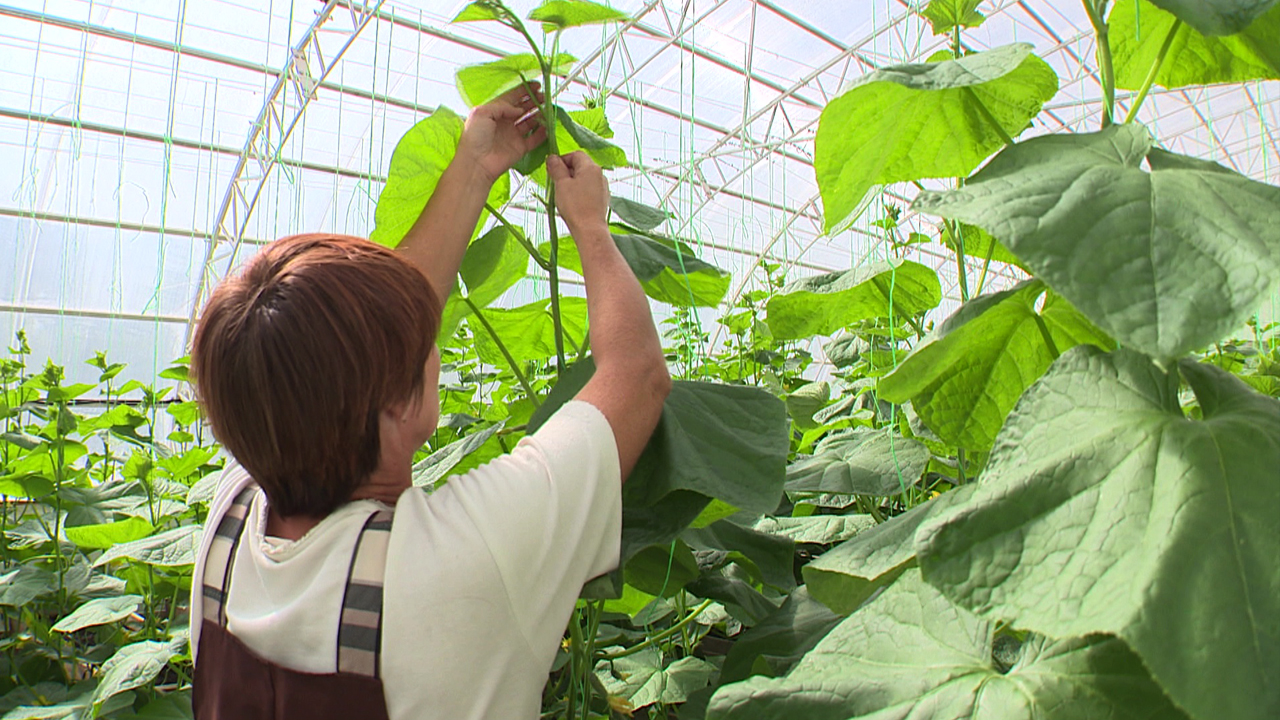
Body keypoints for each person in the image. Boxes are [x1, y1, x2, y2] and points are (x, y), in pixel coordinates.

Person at [187, 84, 671, 720]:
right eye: (422, 346)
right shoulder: (467, 556)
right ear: (395, 407)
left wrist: (476, 165)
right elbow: (636, 373)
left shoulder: (230, 516)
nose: (432, 340)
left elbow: (358, 346)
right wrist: (591, 226)